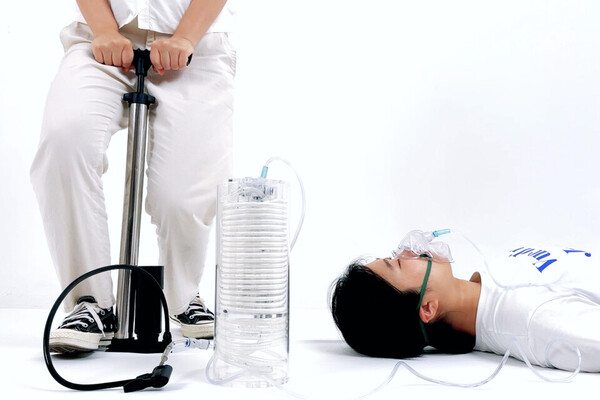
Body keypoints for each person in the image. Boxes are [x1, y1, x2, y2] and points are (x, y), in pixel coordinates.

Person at [30, 0, 236, 353]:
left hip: (196, 44)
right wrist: (105, 30)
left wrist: (185, 37)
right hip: (101, 40)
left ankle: (182, 297)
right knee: (64, 141)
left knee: (181, 193)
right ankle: (90, 303)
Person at [330, 230, 600, 372]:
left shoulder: (495, 269)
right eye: (399, 262)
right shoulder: (532, 323)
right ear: (427, 307)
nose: (407, 250)